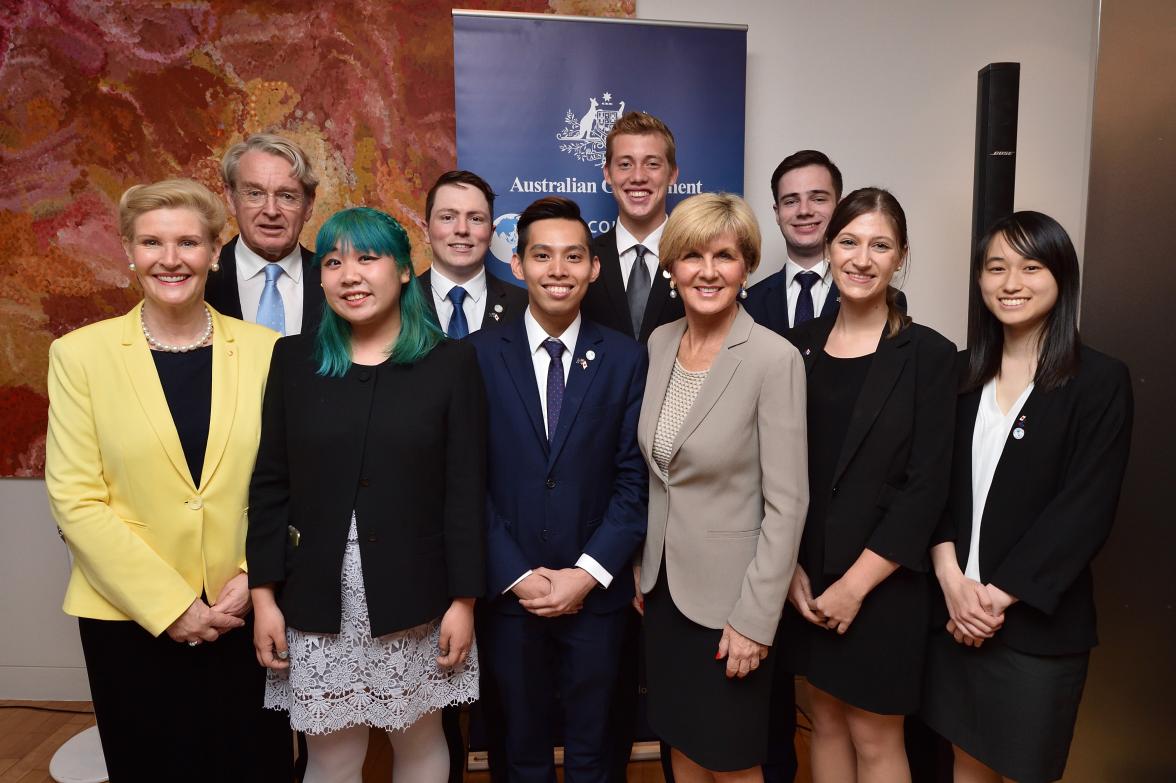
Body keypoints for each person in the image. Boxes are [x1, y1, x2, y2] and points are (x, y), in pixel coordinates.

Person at [44, 178, 291, 781]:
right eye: (152, 242)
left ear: (213, 251)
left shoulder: (270, 352)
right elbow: (76, 500)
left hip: (243, 612)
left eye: (188, 242)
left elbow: (298, 483)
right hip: (127, 618)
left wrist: (253, 572)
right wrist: (171, 604)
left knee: (252, 767)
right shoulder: (80, 356)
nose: (171, 258)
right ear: (129, 251)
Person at [247, 207, 487, 782]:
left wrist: (465, 601)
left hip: (419, 598)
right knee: (330, 754)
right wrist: (263, 599)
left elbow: (465, 491)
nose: (349, 274)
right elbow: (271, 484)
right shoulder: (294, 361)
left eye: (366, 258)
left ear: (404, 271)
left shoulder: (451, 363)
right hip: (316, 597)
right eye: (333, 262)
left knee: (421, 739)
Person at [921, 211, 1132, 783]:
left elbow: (1085, 510)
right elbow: (929, 488)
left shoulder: (1099, 381)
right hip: (953, 616)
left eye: (1030, 267)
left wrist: (993, 599)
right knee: (965, 768)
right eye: (996, 268)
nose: (1011, 282)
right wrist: (950, 581)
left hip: (1035, 628)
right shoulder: (960, 375)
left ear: (1061, 275)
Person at [468, 196, 648, 783]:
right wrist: (518, 575)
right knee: (519, 755)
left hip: (596, 596)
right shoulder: (473, 358)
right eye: (542, 256)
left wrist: (587, 573)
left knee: (597, 755)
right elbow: (467, 481)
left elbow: (634, 476)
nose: (559, 270)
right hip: (509, 595)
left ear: (594, 268)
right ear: (516, 264)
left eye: (574, 256)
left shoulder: (625, 358)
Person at [782, 188, 956, 783]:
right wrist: (790, 569)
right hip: (807, 579)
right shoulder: (797, 346)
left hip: (883, 583)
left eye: (879, 245)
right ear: (828, 249)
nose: (861, 258)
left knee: (875, 735)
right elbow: (779, 469)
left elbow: (927, 488)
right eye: (849, 242)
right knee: (824, 721)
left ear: (900, 256)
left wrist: (855, 587)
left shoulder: (929, 354)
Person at [638, 193, 808, 782]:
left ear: (747, 267)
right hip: (662, 594)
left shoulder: (772, 358)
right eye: (691, 256)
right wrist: (644, 569)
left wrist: (755, 621)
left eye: (725, 256)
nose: (707, 271)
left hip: (731, 603)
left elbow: (788, 505)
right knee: (680, 745)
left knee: (732, 761)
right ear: (671, 266)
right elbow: (661, 477)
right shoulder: (660, 344)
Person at [745, 151, 907, 337]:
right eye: (791, 201)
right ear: (777, 213)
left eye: (818, 199)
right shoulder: (749, 303)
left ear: (840, 207)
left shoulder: (881, 298)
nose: (804, 211)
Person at [205, 132, 325, 336]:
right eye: (255, 194)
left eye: (287, 196)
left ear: (309, 205)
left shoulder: (336, 281)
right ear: (231, 199)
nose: (271, 211)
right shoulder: (200, 280)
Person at [582, 111, 685, 343]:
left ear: (672, 174)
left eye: (652, 164)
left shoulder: (696, 259)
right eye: (625, 164)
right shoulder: (583, 259)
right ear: (608, 174)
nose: (638, 176)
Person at [420, 170, 528, 337]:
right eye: (448, 217)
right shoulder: (398, 301)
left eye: (475, 219)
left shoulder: (526, 306)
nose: (462, 229)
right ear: (426, 230)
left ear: (491, 234)